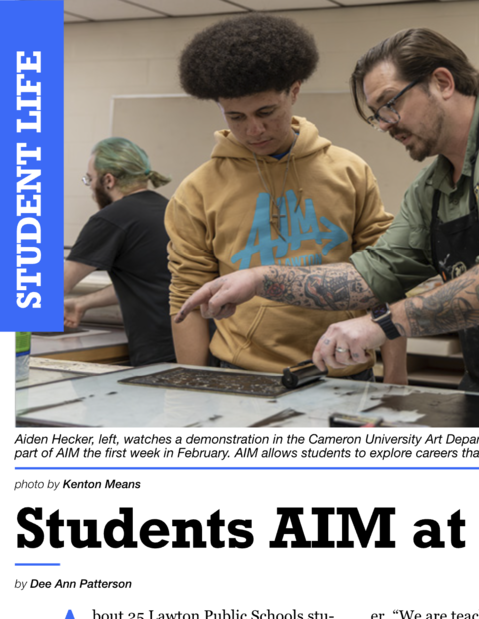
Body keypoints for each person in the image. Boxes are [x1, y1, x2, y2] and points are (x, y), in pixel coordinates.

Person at [176, 28, 479, 408]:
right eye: (376, 115)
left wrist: (381, 326)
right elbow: (372, 275)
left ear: (442, 82)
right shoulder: (433, 187)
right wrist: (263, 279)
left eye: (389, 105)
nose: (384, 125)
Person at [166, 14, 402, 382]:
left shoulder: (349, 171)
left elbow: (385, 277)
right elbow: (188, 296)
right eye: (236, 117)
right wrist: (193, 385)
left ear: (293, 92)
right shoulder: (197, 190)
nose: (254, 129)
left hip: (346, 371)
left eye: (266, 112)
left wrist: (396, 375)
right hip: (244, 373)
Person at [64, 138, 175, 366]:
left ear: (108, 180)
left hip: (159, 350)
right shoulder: (170, 209)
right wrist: (82, 303)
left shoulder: (112, 218)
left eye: (90, 179)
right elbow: (147, 282)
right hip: (195, 342)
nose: (91, 188)